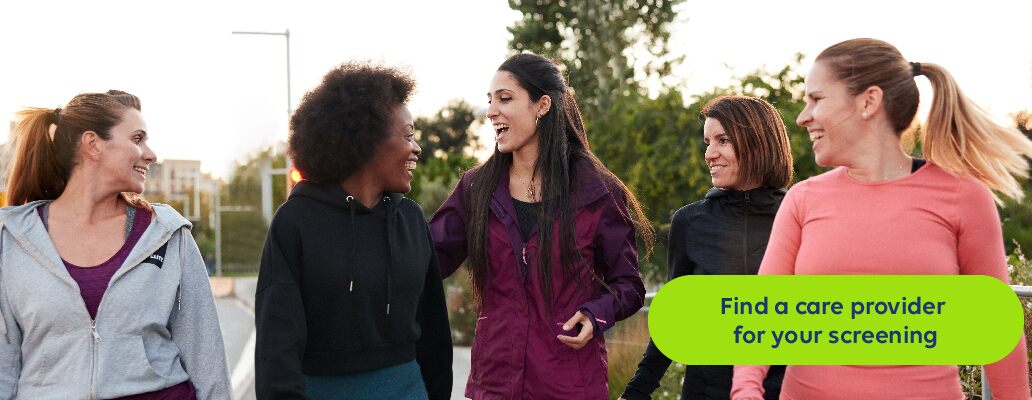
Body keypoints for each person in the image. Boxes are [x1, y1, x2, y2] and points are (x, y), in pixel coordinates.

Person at [731, 38, 1032, 400]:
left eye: (816, 99)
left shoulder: (963, 198)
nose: (803, 116)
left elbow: (996, 328)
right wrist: (745, 389)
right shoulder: (802, 200)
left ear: (868, 101)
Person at [429, 52, 654, 399]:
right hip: (494, 385)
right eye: (490, 101)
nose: (491, 111)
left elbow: (629, 285)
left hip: (569, 385)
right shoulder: (476, 188)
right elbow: (427, 256)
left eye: (505, 99)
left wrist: (596, 314)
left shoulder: (598, 192)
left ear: (542, 105)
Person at [0, 90, 231, 399]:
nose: (151, 155)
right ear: (93, 144)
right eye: (137, 139)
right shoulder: (13, 238)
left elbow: (206, 357)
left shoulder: (166, 234)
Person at [255, 62, 453, 400]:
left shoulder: (410, 219)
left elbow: (434, 334)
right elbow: (277, 350)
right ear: (368, 139)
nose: (417, 148)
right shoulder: (295, 222)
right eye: (408, 135)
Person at [620, 96, 791, 400]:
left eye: (723, 140)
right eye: (707, 143)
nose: (709, 154)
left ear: (759, 143)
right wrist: (635, 393)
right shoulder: (690, 222)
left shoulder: (800, 217)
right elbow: (674, 320)